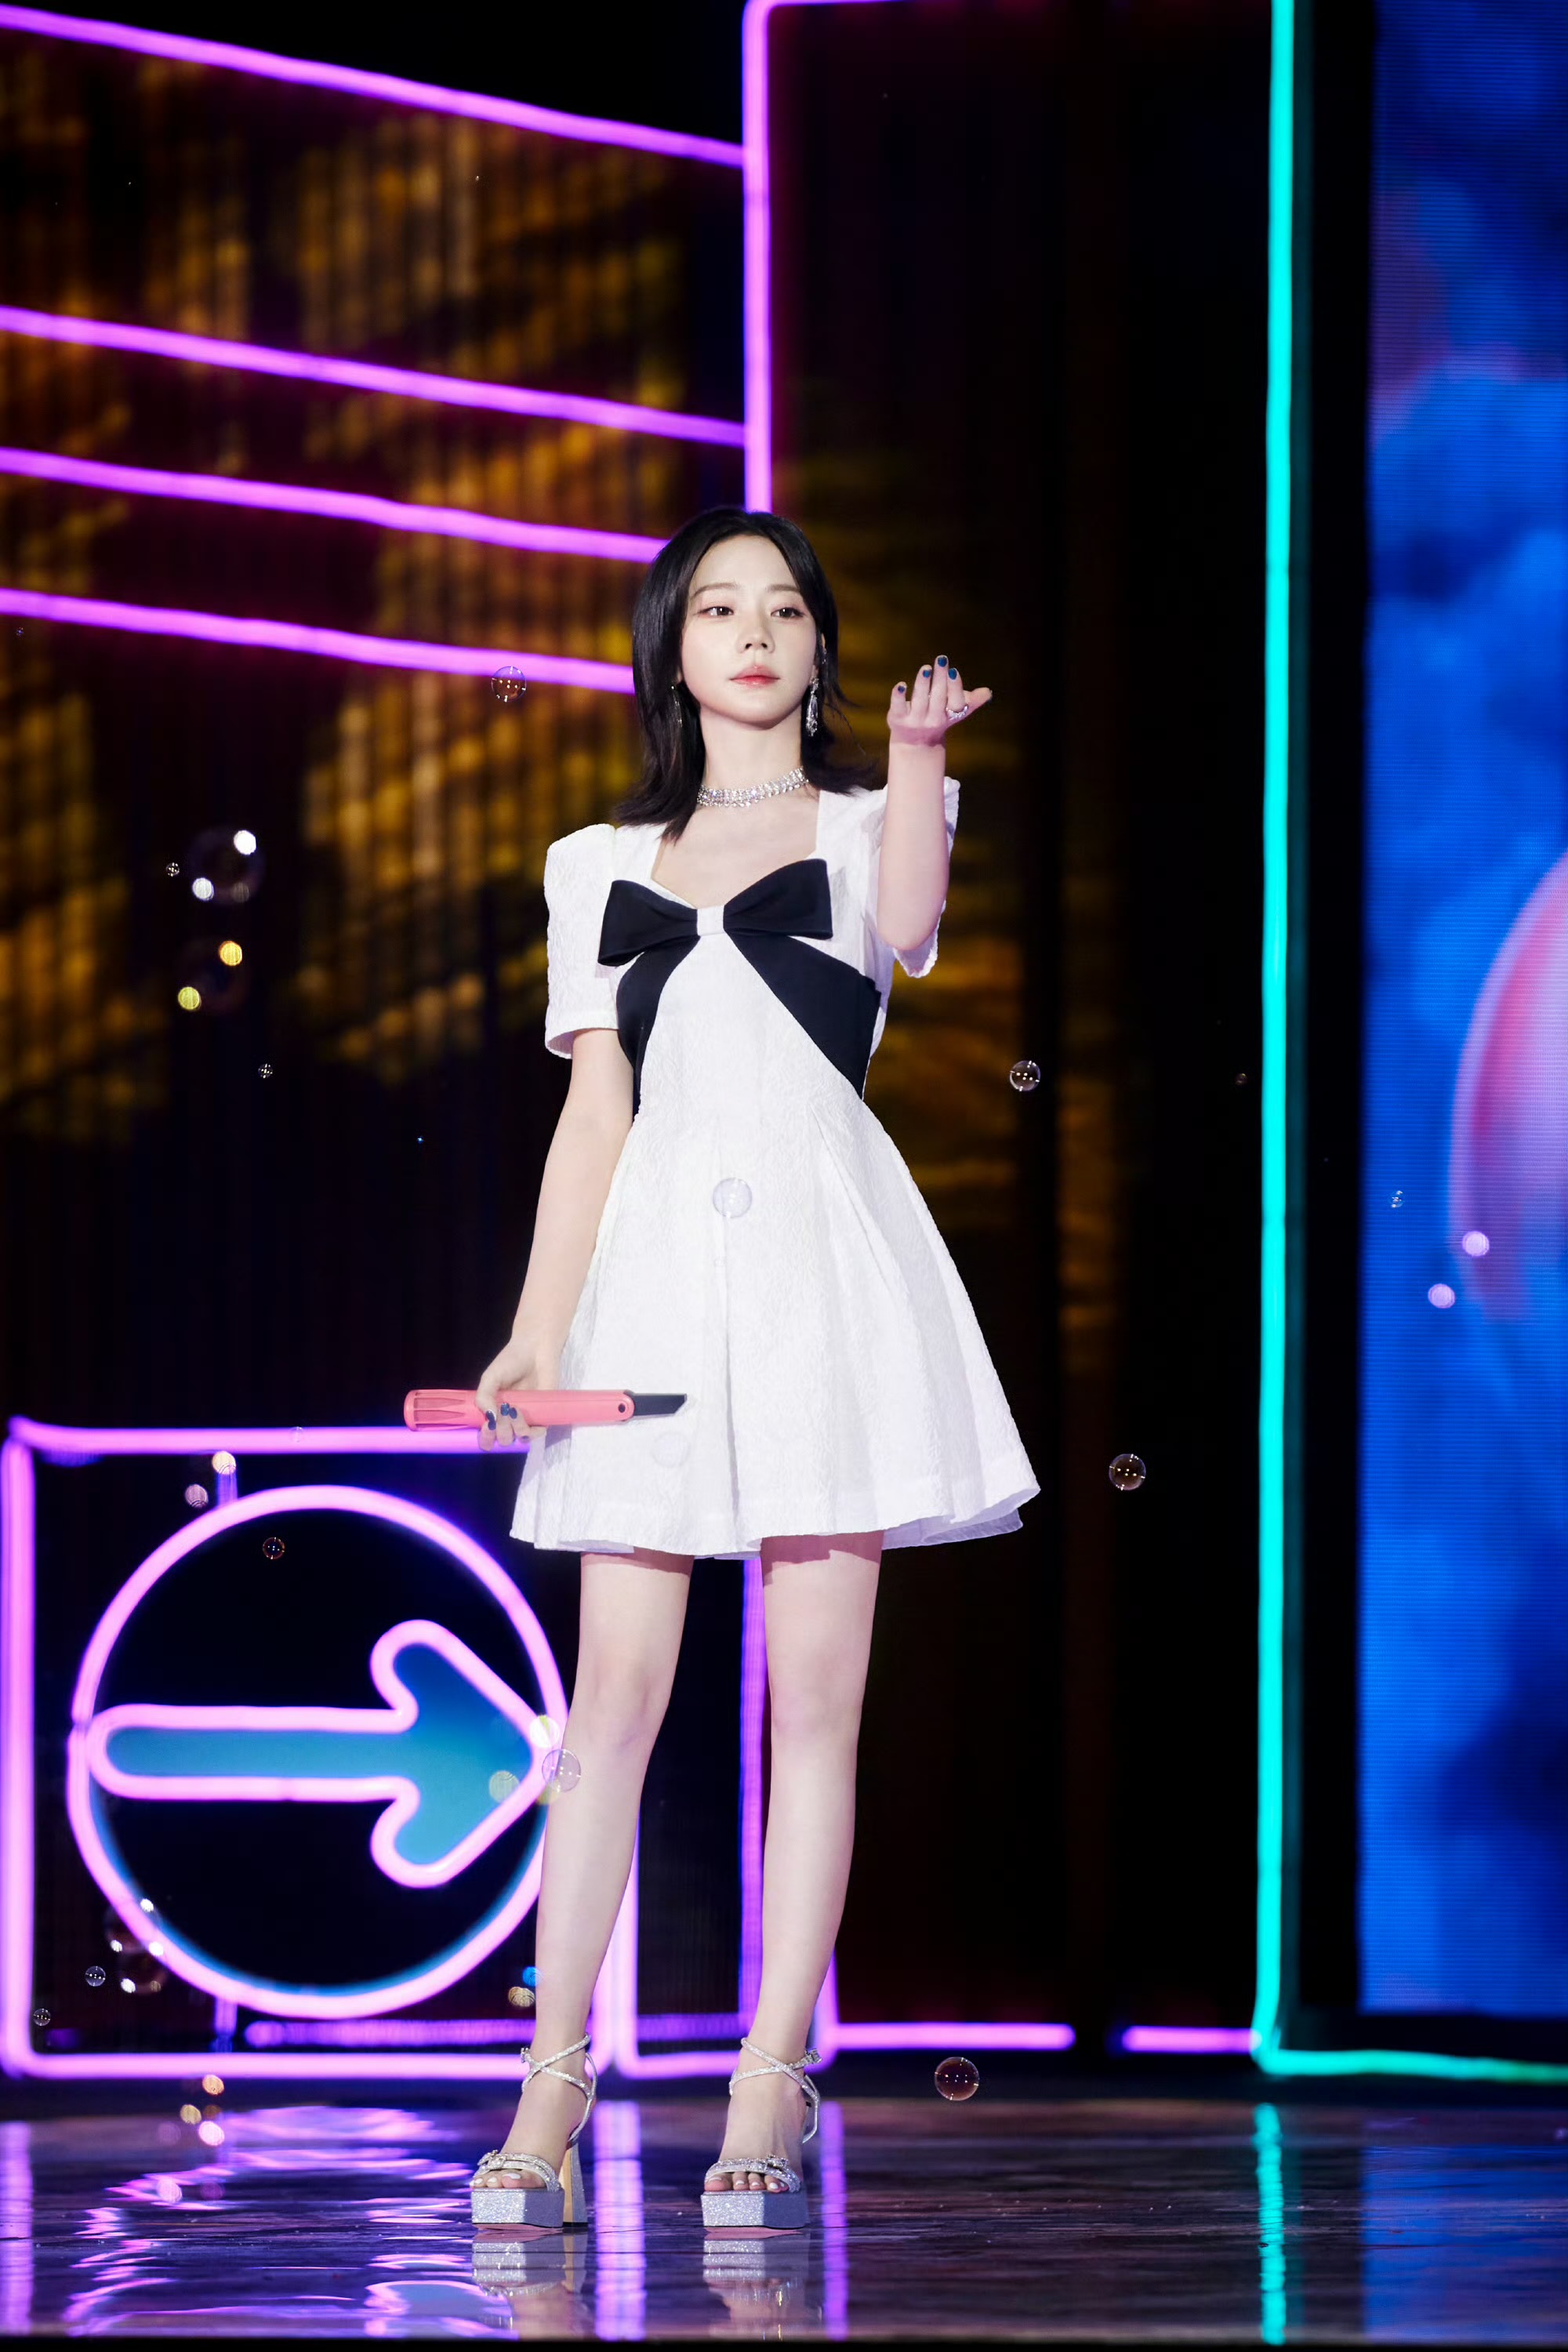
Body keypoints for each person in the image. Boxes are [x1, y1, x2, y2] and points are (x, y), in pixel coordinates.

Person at [467, 507, 1037, 2230]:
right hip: (651, 1298)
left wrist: (921, 761)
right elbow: (594, 1115)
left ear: (816, 645)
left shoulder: (868, 821)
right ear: (674, 647)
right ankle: (551, 2078)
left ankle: (770, 2076)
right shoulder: (594, 862)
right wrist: (536, 1327)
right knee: (611, 1707)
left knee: (817, 1707)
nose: (755, 632)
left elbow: (911, 924)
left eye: (783, 607)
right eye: (719, 607)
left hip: (821, 1287)